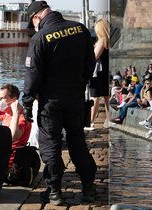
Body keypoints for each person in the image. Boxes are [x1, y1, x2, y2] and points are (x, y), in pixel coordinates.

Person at [22, 1, 97, 205]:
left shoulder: (39, 38)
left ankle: (54, 191)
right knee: (77, 142)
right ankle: (88, 187)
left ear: (36, 17)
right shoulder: (80, 29)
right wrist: (79, 82)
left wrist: (27, 102)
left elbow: (32, 74)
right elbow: (90, 63)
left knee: (50, 145)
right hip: (75, 99)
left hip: (50, 102)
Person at [0, 84, 31, 169]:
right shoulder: (7, 112)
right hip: (2, 154)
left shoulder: (21, 117)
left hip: (11, 162)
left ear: (14, 100)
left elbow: (13, 137)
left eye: (2, 98)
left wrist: (16, 113)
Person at [89, 19, 110, 129]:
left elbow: (94, 57)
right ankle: (108, 119)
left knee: (94, 97)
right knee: (106, 97)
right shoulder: (108, 40)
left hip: (98, 74)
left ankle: (91, 121)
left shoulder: (101, 41)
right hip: (105, 72)